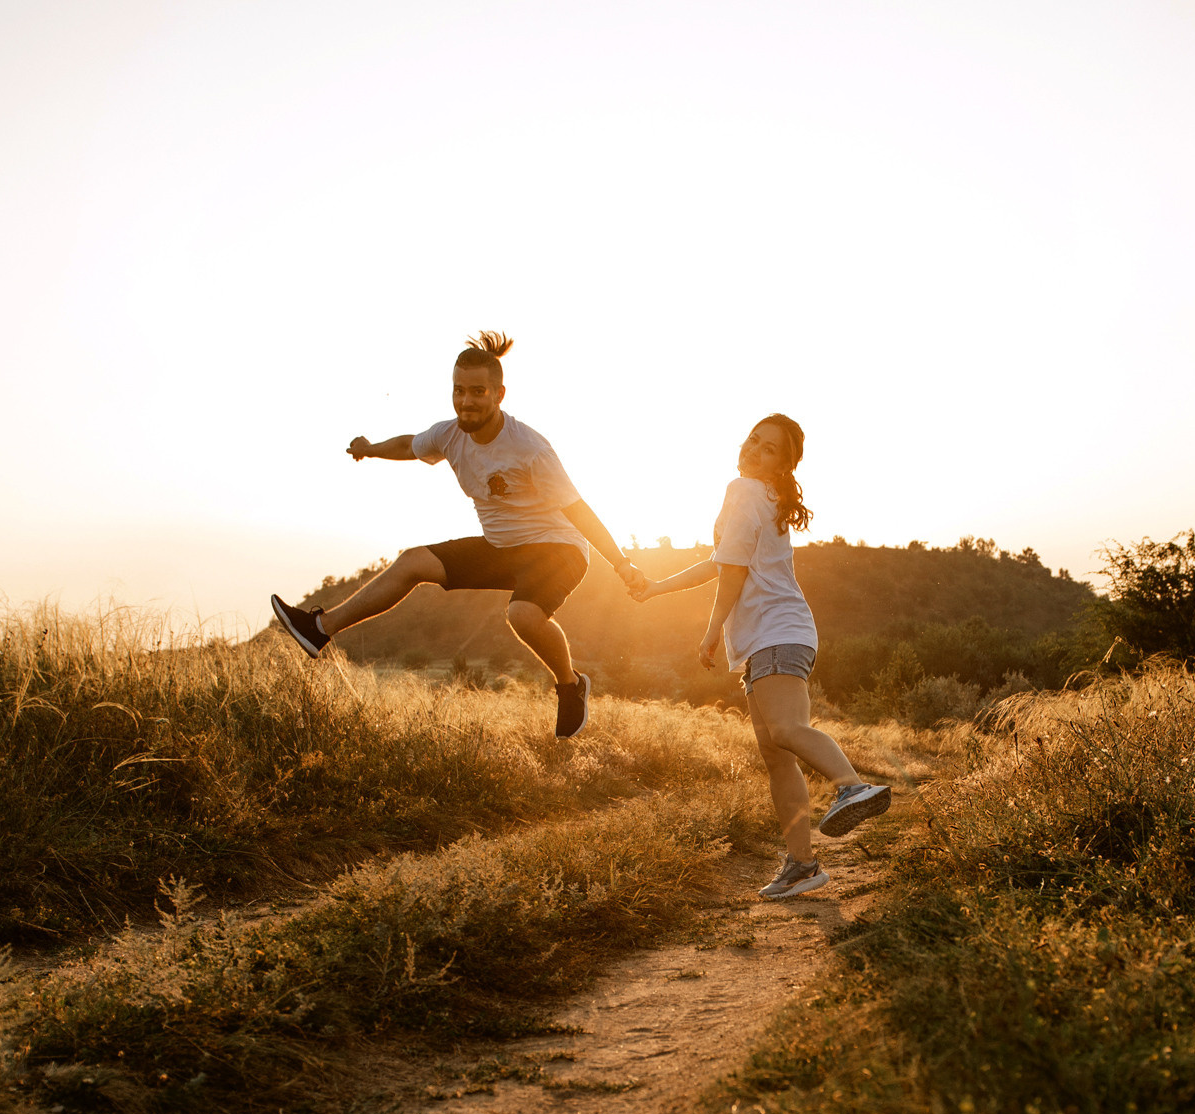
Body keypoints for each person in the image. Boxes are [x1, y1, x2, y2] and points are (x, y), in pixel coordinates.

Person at [268, 332, 643, 739]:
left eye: (478, 391)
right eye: (459, 390)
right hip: (501, 547)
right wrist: (370, 448)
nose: (466, 401)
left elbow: (580, 512)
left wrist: (622, 565)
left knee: (522, 614)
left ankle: (571, 685)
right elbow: (408, 445)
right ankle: (319, 629)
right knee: (413, 561)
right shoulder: (449, 434)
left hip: (558, 547)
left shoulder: (530, 448)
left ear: (499, 394)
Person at [632, 413, 891, 900]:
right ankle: (802, 863)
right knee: (777, 757)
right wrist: (655, 588)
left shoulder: (745, 490)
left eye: (768, 447)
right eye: (753, 439)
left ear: (782, 465)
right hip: (769, 638)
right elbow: (718, 563)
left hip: (777, 631)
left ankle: (852, 787)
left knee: (784, 732)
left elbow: (731, 574)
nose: (754, 448)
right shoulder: (760, 496)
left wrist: (710, 633)